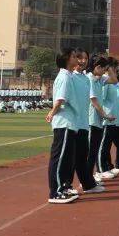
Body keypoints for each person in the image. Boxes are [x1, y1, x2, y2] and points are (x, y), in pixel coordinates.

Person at [44, 50, 81, 204]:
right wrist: (52, 113)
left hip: (70, 122)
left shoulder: (69, 76)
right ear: (66, 59)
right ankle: (55, 192)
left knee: (66, 158)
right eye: (73, 56)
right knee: (59, 157)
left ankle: (63, 187)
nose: (76, 59)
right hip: (64, 122)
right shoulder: (64, 76)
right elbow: (60, 100)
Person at [68, 50, 103, 196]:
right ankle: (66, 185)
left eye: (85, 58)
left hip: (83, 122)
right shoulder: (69, 76)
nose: (83, 61)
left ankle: (87, 184)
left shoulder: (84, 78)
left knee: (82, 155)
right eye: (79, 58)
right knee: (70, 157)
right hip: (71, 123)